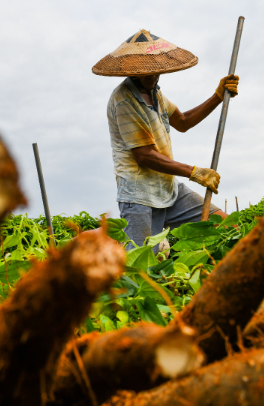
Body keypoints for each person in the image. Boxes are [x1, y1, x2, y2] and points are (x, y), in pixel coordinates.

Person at [92, 29, 239, 249]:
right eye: (147, 73)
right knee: (142, 263)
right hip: (139, 196)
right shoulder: (123, 99)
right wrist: (193, 171)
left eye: (156, 72)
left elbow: (183, 121)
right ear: (134, 71)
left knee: (226, 227)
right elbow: (144, 155)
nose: (153, 77)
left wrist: (217, 96)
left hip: (168, 188)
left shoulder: (156, 93)